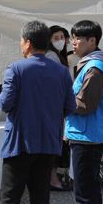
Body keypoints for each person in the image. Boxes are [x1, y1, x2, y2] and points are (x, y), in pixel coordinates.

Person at [0, 21, 76, 204]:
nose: (20, 44)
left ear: (28, 43)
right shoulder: (61, 71)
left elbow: (5, 104)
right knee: (41, 203)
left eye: (21, 41)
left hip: (20, 143)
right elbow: (70, 106)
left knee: (9, 202)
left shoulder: (16, 69)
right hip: (49, 142)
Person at [65, 20, 103, 204]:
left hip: (87, 137)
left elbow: (84, 104)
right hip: (87, 135)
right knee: (91, 192)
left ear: (92, 41)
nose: (72, 42)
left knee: (85, 194)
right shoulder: (90, 64)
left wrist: (61, 100)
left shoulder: (94, 68)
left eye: (77, 38)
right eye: (73, 37)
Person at [45, 24, 71, 191]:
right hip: (54, 106)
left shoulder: (59, 55)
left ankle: (53, 177)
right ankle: (52, 178)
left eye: (62, 38)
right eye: (56, 38)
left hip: (56, 105)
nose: (61, 41)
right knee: (55, 143)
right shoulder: (52, 56)